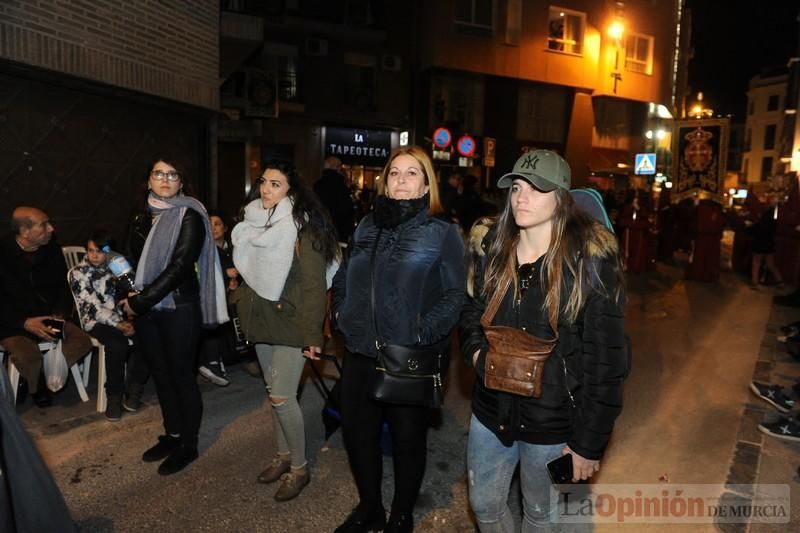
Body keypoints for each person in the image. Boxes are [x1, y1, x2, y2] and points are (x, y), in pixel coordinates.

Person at [460, 150, 627, 531]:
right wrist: (474, 356)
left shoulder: (589, 263)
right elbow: (470, 312)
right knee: (484, 504)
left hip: (555, 425)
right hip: (491, 411)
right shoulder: (492, 249)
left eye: (537, 189)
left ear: (562, 198)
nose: (522, 197)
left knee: (541, 514)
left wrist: (588, 443)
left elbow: (607, 363)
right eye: (517, 187)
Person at [331, 146, 466, 532]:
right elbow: (343, 277)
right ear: (384, 182)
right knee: (359, 437)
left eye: (412, 173)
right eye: (394, 173)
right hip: (359, 352)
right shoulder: (365, 226)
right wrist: (340, 312)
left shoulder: (442, 234)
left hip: (407, 356)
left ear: (426, 184)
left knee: (408, 441)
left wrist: (420, 333)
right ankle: (370, 507)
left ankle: (401, 514)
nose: (402, 181)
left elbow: (456, 296)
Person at [231, 160, 340, 502]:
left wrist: (313, 336)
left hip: (292, 324)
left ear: (292, 190)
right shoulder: (253, 222)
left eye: (276, 184)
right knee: (275, 395)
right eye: (264, 182)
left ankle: (299, 468)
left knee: (282, 396)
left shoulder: (304, 227)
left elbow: (313, 286)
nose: (266, 189)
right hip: (261, 321)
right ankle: (282, 456)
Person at [121, 157, 228, 476]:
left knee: (181, 375)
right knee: (161, 374)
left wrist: (139, 303)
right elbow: (128, 260)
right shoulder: (141, 216)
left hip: (180, 306)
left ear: (182, 181)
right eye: (158, 174)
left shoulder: (191, 215)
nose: (165, 179)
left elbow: (180, 267)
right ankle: (173, 434)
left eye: (172, 174)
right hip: (147, 308)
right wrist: (128, 291)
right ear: (149, 180)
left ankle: (189, 444)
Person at [0, 206, 94, 408]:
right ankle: (38, 386)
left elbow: (63, 286)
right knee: (28, 356)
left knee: (82, 342)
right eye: (44, 225)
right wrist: (24, 323)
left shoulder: (51, 249)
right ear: (25, 232)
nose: (51, 229)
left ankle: (39, 376)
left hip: (49, 316)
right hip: (13, 323)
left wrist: (60, 313)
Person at [68, 230, 141, 420]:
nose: (94, 255)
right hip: (94, 321)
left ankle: (134, 388)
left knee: (149, 336)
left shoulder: (114, 267)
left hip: (118, 317)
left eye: (99, 251)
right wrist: (119, 324)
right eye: (91, 250)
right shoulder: (79, 273)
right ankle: (114, 397)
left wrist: (126, 279)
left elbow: (132, 290)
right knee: (118, 345)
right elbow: (92, 307)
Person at [197, 211, 238, 387]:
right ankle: (212, 361)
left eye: (217, 224)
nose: (213, 228)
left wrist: (234, 279)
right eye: (210, 224)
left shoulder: (235, 247)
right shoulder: (202, 248)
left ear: (225, 228)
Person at [315, 156, 355, 243]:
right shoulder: (341, 187)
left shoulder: (318, 185)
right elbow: (346, 211)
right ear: (338, 168)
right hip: (337, 233)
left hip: (319, 231)